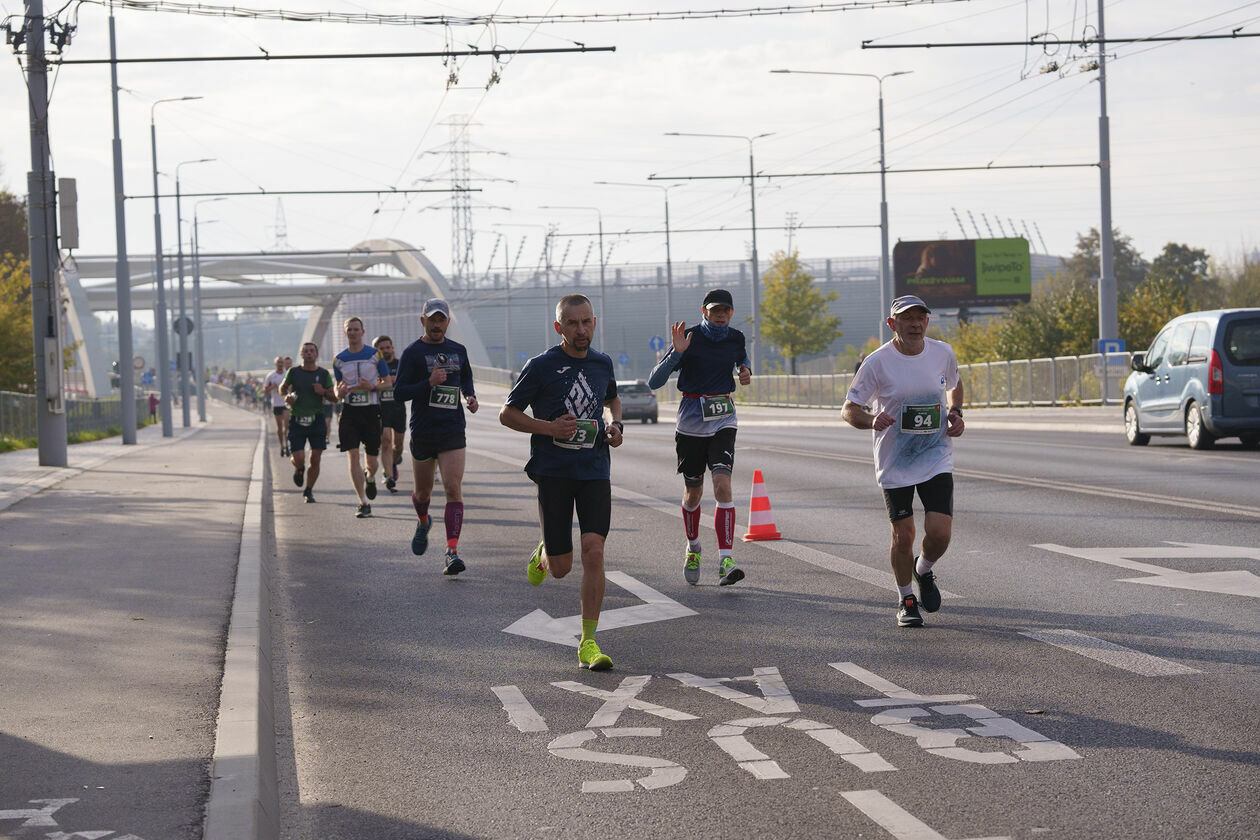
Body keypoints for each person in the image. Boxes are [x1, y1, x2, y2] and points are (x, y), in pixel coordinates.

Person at [500, 294, 623, 671]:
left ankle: (588, 641)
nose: (581, 330)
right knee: (561, 568)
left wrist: (614, 425)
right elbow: (508, 414)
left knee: (595, 552)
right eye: (572, 323)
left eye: (586, 322)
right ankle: (544, 553)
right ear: (559, 327)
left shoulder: (603, 364)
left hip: (594, 469)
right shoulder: (541, 366)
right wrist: (548, 428)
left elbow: (612, 401)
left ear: (595, 323)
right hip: (553, 471)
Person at [841, 294, 965, 628]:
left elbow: (955, 384)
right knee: (904, 535)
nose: (914, 324)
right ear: (892, 324)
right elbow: (849, 409)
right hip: (895, 460)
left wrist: (955, 411)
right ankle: (905, 598)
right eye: (906, 319)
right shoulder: (877, 362)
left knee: (940, 533)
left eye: (920, 318)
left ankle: (922, 570)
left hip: (935, 454)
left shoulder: (943, 353)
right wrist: (871, 421)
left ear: (927, 321)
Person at [647, 288, 751, 587]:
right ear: (703, 311)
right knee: (693, 492)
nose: (719, 315)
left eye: (725, 311)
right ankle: (693, 548)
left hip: (723, 418)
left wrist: (745, 371)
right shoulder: (689, 338)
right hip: (691, 421)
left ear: (731, 313)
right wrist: (676, 354)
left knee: (722, 483)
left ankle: (725, 559)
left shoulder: (736, 338)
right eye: (714, 310)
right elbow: (655, 380)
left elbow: (741, 362)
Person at [393, 299, 479, 575]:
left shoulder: (458, 350)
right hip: (423, 430)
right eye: (432, 319)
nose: (437, 324)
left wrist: (470, 396)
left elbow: (466, 378)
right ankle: (422, 521)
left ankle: (452, 552)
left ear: (447, 323)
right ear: (423, 321)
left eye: (441, 320)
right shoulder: (413, 353)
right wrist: (427, 383)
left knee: (453, 488)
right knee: (423, 492)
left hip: (453, 428)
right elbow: (398, 393)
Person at [332, 316, 392, 519]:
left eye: (356, 329)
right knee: (353, 455)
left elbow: (388, 382)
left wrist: (373, 386)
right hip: (349, 412)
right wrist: (338, 392)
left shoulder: (375, 355)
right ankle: (363, 502)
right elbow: (337, 384)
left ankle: (371, 477)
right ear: (345, 333)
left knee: (372, 462)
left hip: (370, 411)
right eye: (349, 330)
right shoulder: (339, 359)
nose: (353, 333)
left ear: (363, 332)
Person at [281, 342, 336, 503]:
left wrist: (323, 392)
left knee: (316, 458)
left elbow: (334, 398)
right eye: (305, 351)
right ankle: (299, 468)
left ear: (316, 354)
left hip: (316, 419)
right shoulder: (294, 372)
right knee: (298, 458)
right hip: (297, 419)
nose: (309, 353)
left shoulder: (324, 374)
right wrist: (286, 397)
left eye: (312, 351)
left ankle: (309, 489)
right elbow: (282, 388)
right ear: (301, 354)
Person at [372, 335, 406, 494]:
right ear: (377, 351)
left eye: (387, 347)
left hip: (398, 408)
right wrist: (383, 382)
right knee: (385, 441)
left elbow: (410, 383)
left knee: (398, 445)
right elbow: (370, 384)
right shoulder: (374, 367)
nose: (385, 351)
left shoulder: (401, 365)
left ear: (392, 348)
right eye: (381, 348)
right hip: (381, 408)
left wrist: (397, 381)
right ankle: (389, 477)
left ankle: (393, 462)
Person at [262, 356, 291, 456]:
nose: (280, 364)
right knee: (279, 426)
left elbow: (292, 387)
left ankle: (287, 445)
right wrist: (272, 387)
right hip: (276, 404)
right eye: (278, 362)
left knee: (286, 426)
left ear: (283, 364)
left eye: (281, 362)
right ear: (275, 364)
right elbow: (264, 391)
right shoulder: (270, 376)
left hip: (286, 403)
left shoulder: (287, 374)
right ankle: (281, 446)